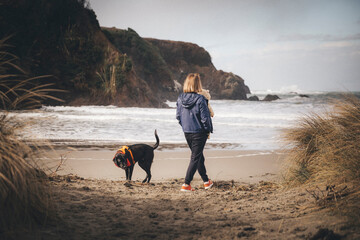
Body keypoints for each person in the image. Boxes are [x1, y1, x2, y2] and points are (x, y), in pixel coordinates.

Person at [176, 73, 214, 192]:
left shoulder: (180, 98)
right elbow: (205, 118)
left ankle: (206, 181)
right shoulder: (200, 99)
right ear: (198, 84)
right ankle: (186, 184)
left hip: (187, 131)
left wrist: (185, 126)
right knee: (195, 157)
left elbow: (178, 116)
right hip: (199, 132)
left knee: (198, 156)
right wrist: (207, 130)